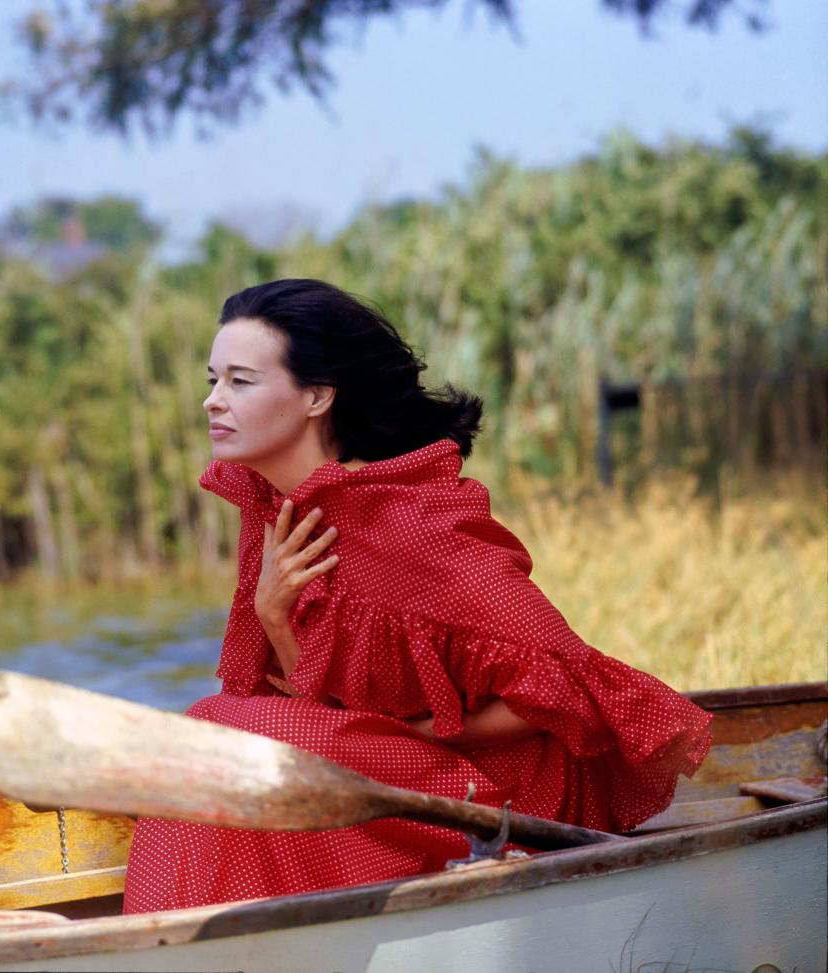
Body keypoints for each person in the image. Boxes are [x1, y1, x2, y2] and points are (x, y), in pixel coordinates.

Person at [122, 278, 712, 913]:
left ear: (318, 396)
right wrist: (274, 613)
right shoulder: (278, 521)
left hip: (505, 795)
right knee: (221, 733)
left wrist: (421, 732)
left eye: (240, 381)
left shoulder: (407, 522)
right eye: (212, 380)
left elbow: (570, 685)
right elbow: (318, 704)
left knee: (224, 724)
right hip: (393, 772)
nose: (213, 401)